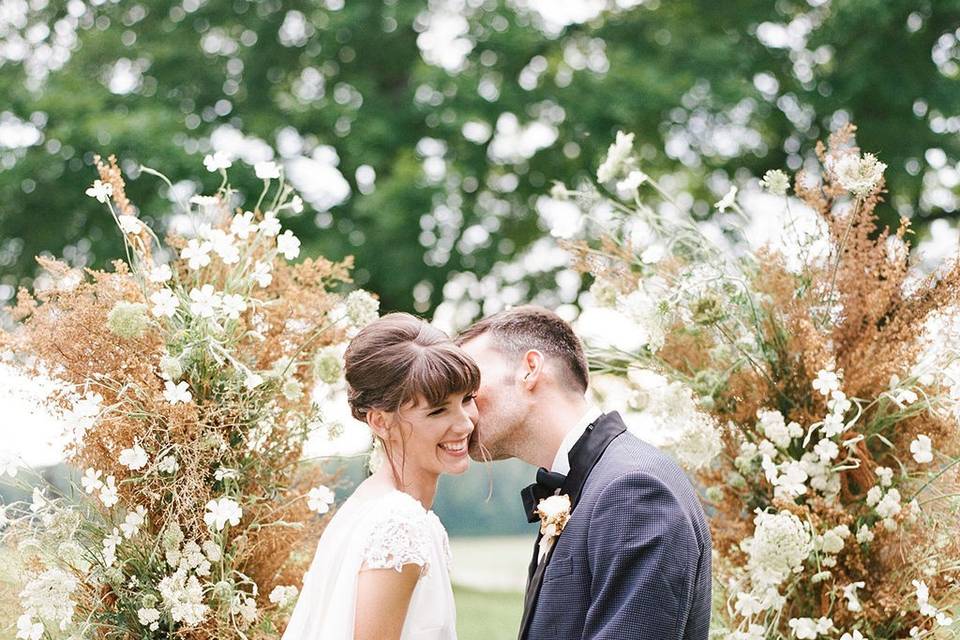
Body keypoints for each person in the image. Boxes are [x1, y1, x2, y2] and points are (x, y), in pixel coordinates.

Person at [457, 305, 712, 640]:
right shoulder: (587, 484)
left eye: (470, 386)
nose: (462, 406)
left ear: (529, 369)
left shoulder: (633, 491)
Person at [282, 312, 479, 640]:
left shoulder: (375, 507)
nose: (465, 424)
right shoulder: (399, 524)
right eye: (438, 410)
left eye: (467, 400)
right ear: (380, 422)